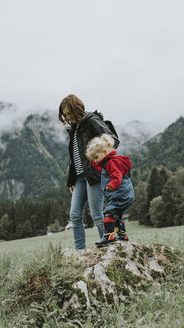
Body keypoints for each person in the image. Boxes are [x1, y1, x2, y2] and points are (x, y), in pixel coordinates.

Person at [59, 94, 119, 250]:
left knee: (96, 214)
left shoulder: (91, 121)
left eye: (69, 112)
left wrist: (99, 159)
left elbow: (112, 139)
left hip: (94, 175)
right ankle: (80, 252)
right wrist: (71, 180)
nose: (67, 116)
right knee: (75, 215)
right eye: (65, 114)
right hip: (79, 178)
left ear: (77, 108)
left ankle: (107, 248)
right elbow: (75, 157)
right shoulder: (74, 128)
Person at [86, 134, 134, 247]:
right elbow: (100, 168)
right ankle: (122, 235)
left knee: (109, 212)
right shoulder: (108, 162)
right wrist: (92, 160)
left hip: (120, 194)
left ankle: (109, 235)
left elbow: (117, 175)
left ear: (104, 151)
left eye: (96, 158)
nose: (96, 161)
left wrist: (112, 185)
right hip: (123, 195)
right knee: (116, 215)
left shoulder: (113, 162)